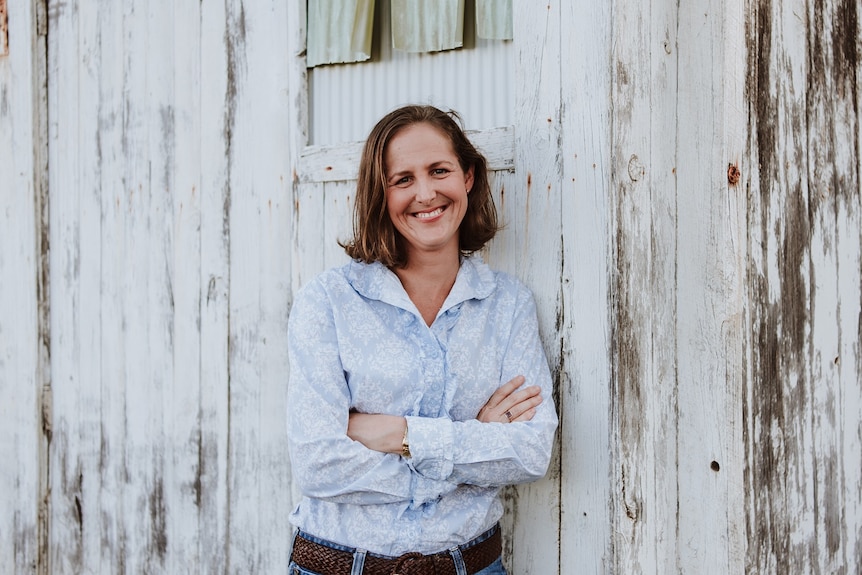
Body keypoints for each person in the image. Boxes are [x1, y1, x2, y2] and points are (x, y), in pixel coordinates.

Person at [286, 105, 558, 575]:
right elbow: (317, 463)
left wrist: (401, 435)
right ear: (381, 192)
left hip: (470, 565)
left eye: (439, 171)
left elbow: (530, 452)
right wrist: (471, 446)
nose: (426, 193)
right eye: (403, 179)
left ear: (468, 177)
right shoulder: (328, 302)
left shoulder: (507, 304)